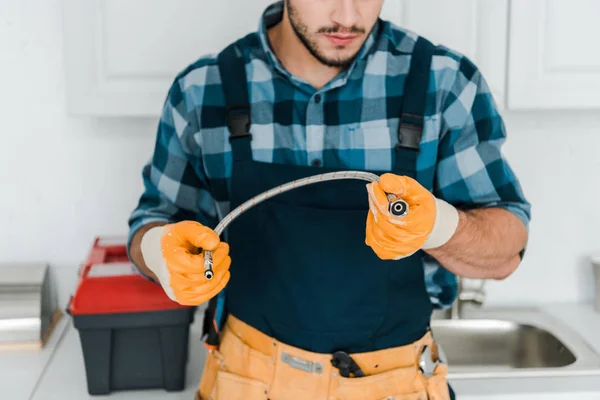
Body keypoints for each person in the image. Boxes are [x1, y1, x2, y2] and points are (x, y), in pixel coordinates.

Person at [127, 1, 531, 399]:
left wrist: (439, 226)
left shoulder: (445, 84)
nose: (348, 17)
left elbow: (507, 250)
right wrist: (158, 252)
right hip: (245, 378)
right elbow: (153, 217)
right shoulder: (202, 90)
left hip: (397, 382)